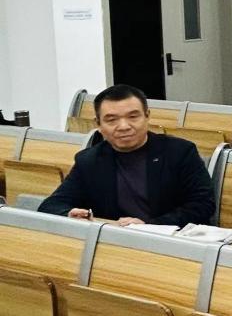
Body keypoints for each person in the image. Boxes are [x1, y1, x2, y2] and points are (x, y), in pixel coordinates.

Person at [38, 84, 214, 227]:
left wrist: (149, 225)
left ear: (147, 117)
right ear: (98, 124)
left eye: (133, 117)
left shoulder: (180, 151)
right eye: (111, 120)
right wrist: (69, 214)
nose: (124, 126)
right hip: (115, 244)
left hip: (170, 241)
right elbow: (51, 205)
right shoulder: (89, 160)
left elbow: (203, 205)